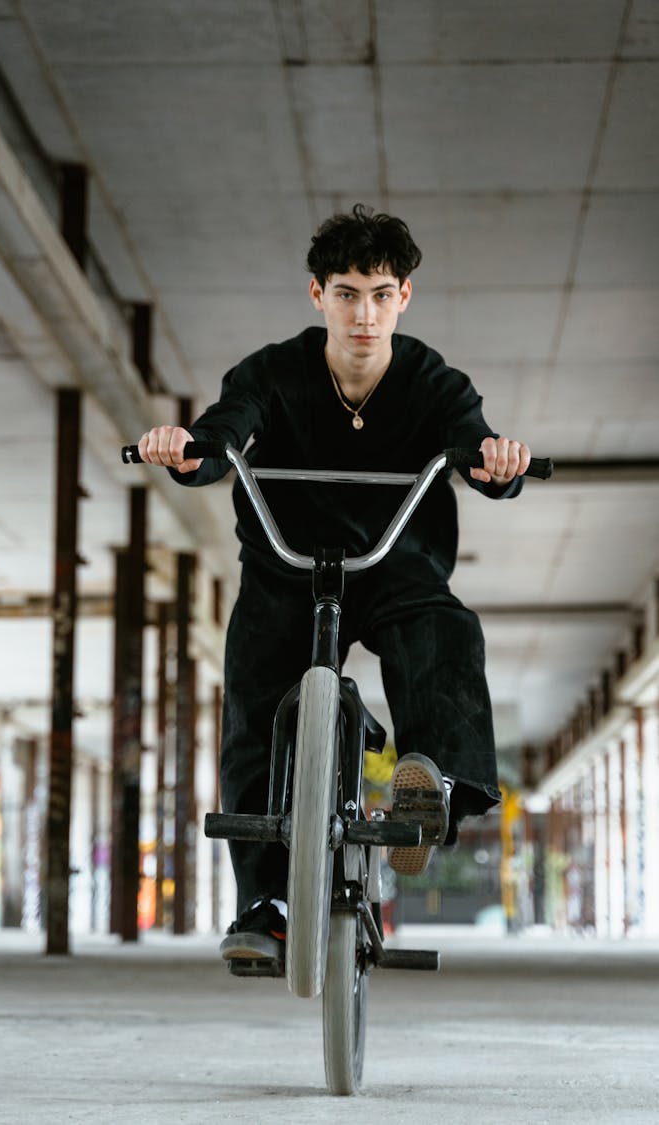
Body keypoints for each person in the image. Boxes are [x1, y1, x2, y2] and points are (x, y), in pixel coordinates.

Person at [138, 204, 530, 969]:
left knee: (447, 634)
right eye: (347, 293)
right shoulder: (272, 371)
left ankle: (432, 788)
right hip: (287, 569)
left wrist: (495, 460)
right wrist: (191, 449)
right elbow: (225, 430)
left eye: (382, 293)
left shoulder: (428, 377)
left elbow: (470, 441)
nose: (364, 313)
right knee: (254, 702)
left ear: (404, 297)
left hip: (396, 566)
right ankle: (267, 902)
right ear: (317, 295)